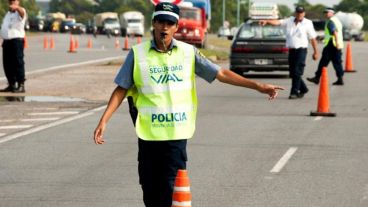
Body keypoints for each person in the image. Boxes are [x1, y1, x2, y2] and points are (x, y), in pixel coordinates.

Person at [93, 2, 284, 207]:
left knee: (170, 185)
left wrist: (257, 85)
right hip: (148, 133)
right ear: (154, 24)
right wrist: (104, 120)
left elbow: (220, 73)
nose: (164, 27)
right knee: (149, 187)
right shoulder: (137, 54)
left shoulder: (188, 53)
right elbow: (121, 88)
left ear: (176, 27)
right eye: (161, 22)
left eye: (169, 23)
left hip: (176, 133)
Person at [259, 6, 319, 99]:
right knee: (293, 72)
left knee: (297, 72)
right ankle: (303, 88)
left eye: (301, 13)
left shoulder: (308, 23)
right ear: (295, 13)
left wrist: (315, 52)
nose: (299, 14)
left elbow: (313, 38)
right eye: (298, 12)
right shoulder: (289, 20)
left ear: (304, 13)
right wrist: (267, 21)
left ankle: (294, 92)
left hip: (301, 50)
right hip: (291, 50)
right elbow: (277, 22)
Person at [307, 7, 344, 85]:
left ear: (332, 13)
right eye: (325, 12)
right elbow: (331, 34)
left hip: (331, 45)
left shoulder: (330, 21)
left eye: (327, 12)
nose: (326, 14)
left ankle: (317, 78)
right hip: (336, 45)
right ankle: (340, 79)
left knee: (323, 62)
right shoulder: (337, 20)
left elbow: (335, 33)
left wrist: (336, 43)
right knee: (337, 62)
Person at [0, 0, 27, 93]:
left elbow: (22, 13)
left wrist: (17, 8)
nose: (12, 2)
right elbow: (5, 27)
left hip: (16, 40)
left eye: (14, 1)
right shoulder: (8, 13)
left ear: (18, 1)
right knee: (7, 64)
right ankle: (12, 84)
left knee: (17, 62)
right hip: (7, 40)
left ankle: (21, 85)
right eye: (10, 1)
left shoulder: (20, 11)